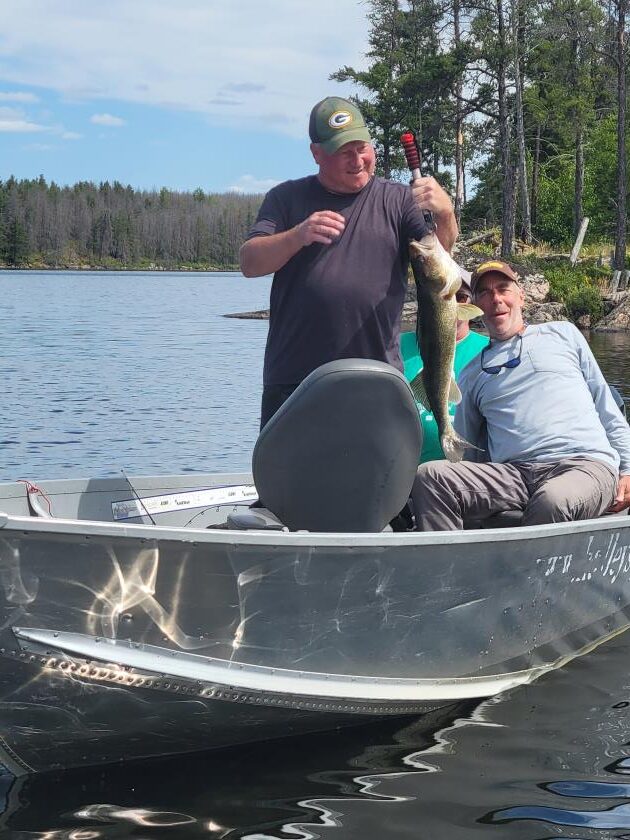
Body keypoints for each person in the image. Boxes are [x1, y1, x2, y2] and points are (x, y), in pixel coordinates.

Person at [239, 96, 458, 428]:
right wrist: (297, 235)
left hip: (377, 377)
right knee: (293, 480)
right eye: (344, 151)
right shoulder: (285, 198)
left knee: (375, 479)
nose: (358, 160)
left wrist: (445, 212)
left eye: (362, 148)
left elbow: (438, 255)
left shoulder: (397, 199)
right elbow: (249, 262)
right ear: (316, 153)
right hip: (295, 381)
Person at [411, 259, 630, 530]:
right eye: (485, 293)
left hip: (583, 465)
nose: (496, 299)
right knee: (431, 476)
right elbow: (470, 454)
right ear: (476, 307)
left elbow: (606, 406)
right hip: (514, 474)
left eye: (503, 289)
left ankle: (525, 572)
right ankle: (447, 568)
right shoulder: (471, 373)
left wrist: (627, 469)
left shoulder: (563, 334)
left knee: (552, 499)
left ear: (521, 296)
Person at [400, 268, 489, 462]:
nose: (452, 302)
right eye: (440, 295)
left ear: (471, 304)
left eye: (461, 297)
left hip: (462, 475)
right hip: (399, 468)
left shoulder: (489, 350)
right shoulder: (395, 345)